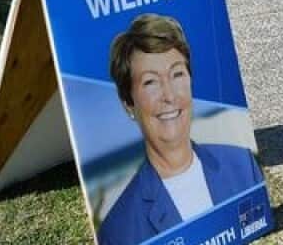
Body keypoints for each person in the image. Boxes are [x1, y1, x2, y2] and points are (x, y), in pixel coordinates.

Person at [98, 14, 264, 245]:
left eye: (177, 74)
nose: (169, 95)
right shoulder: (118, 229)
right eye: (150, 81)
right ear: (128, 104)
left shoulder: (242, 164)